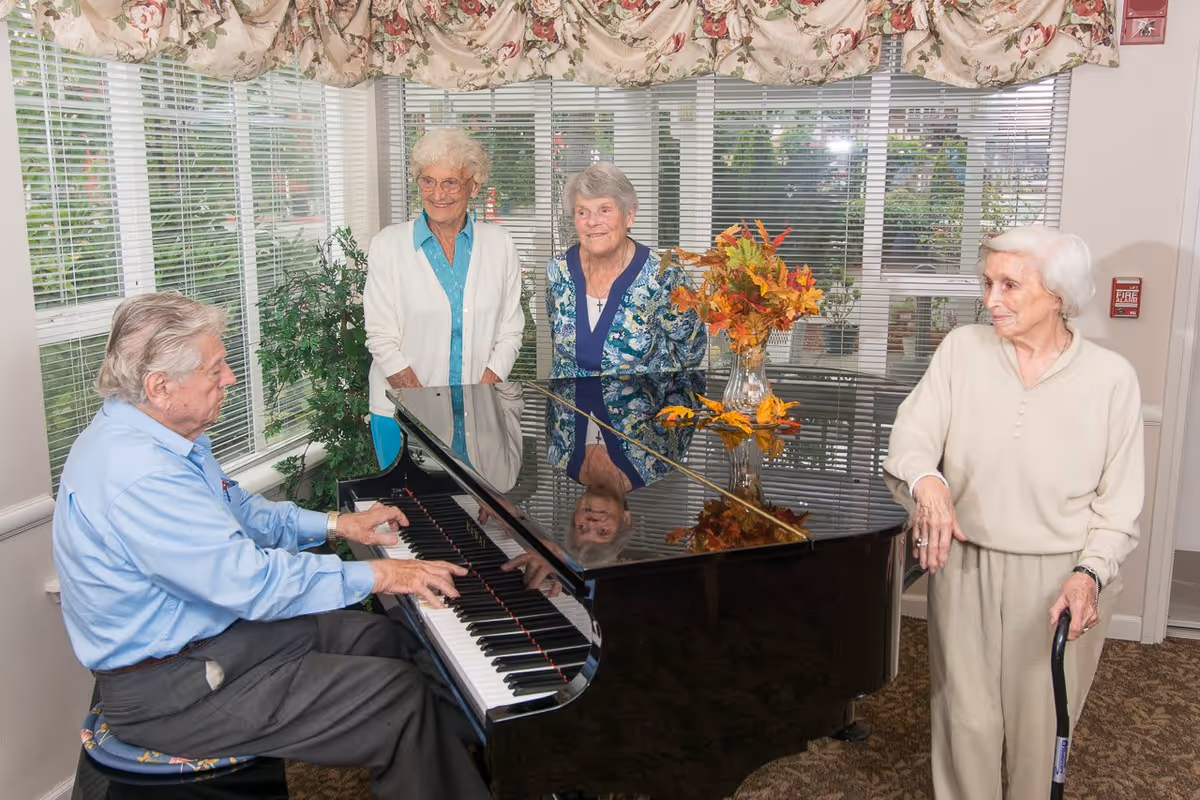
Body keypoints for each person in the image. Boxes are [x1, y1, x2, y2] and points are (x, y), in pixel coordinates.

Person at [52, 292, 491, 800]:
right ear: (160, 386)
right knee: (400, 702)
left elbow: (241, 512)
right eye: (215, 370)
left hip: (215, 645)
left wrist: (339, 525)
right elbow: (253, 584)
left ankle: (474, 771)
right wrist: (384, 574)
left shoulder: (162, 435)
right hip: (173, 689)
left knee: (386, 640)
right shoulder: (140, 476)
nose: (231, 378)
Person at [882, 225, 1143, 799]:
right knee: (965, 720)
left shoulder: (1110, 380)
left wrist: (1089, 574)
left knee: (1040, 726)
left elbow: (1119, 505)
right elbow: (911, 437)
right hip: (966, 564)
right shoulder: (962, 350)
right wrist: (928, 483)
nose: (990, 299)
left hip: (1060, 578)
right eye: (987, 282)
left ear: (1058, 293)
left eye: (1009, 284)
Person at [364, 127, 525, 469]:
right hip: (400, 415)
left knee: (477, 517)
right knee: (414, 518)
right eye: (427, 181)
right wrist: (424, 411)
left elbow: (510, 332)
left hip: (480, 417)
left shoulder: (500, 244)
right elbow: (381, 338)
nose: (438, 194)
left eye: (451, 182)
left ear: (474, 186)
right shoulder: (388, 245)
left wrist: (480, 400)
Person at [546, 162, 706, 378]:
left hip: (644, 407)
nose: (592, 221)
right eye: (582, 212)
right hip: (566, 408)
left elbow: (691, 352)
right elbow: (557, 339)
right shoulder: (558, 270)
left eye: (604, 210)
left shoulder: (664, 277)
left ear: (629, 216)